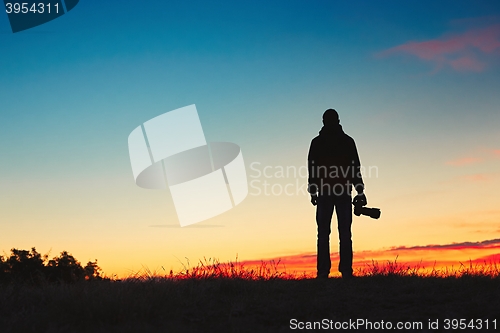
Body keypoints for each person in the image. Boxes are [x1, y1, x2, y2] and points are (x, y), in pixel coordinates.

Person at [308, 109, 367, 279]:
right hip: (333, 192)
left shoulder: (323, 142)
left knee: (332, 233)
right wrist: (360, 189)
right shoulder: (344, 141)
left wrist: (360, 189)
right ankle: (335, 271)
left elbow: (355, 167)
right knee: (338, 233)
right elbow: (313, 167)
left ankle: (331, 272)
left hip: (334, 192)